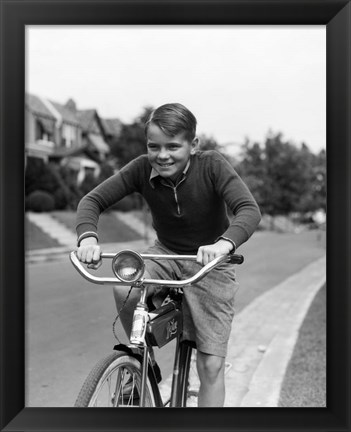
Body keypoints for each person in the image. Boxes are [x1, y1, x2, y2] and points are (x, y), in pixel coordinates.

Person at [76, 103, 261, 407]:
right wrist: (88, 238)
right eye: (154, 146)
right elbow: (91, 201)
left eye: (173, 146)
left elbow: (249, 210)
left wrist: (223, 244)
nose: (162, 155)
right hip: (165, 254)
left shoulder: (212, 165)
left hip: (210, 262)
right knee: (124, 284)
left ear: (193, 145)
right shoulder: (140, 168)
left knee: (211, 366)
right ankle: (141, 360)